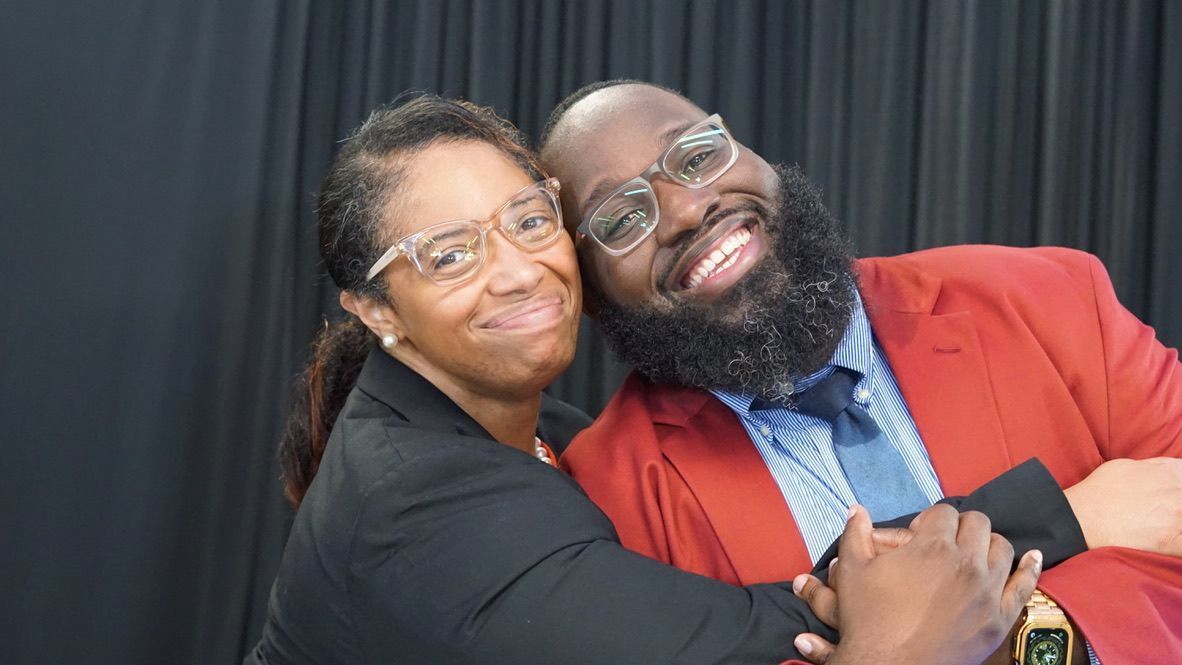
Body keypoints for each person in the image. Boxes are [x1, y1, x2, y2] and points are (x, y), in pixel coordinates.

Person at [243, 94, 1053, 665]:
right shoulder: (411, 501)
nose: (518, 272)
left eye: (529, 221)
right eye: (450, 254)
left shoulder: (549, 432)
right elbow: (735, 636)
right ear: (375, 309)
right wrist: (1066, 513)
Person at [539, 80, 1182, 664]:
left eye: (697, 156)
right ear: (593, 295)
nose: (684, 210)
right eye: (622, 218)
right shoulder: (611, 497)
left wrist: (1050, 635)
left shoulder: (1050, 297)